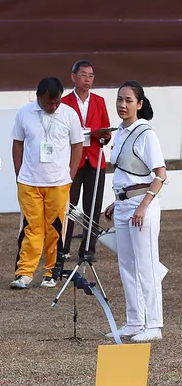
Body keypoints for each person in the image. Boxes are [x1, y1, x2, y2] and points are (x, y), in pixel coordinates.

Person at [104, 82, 167, 343]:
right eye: (119, 99)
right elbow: (124, 173)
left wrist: (142, 206)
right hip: (123, 205)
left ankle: (154, 324)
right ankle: (134, 321)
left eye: (128, 100)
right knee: (127, 266)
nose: (122, 104)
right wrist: (116, 202)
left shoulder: (145, 133)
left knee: (146, 266)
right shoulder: (120, 131)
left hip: (142, 206)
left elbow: (160, 175)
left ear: (139, 104)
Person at [10, 77, 84, 289]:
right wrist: (18, 173)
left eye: (56, 102)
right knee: (31, 228)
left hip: (59, 183)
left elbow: (77, 145)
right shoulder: (24, 113)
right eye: (49, 102)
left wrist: (70, 174)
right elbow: (17, 143)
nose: (53, 106)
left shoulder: (69, 114)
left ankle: (52, 272)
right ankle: (24, 272)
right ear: (38, 98)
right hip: (29, 181)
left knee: (55, 229)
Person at [60, 60, 111, 262]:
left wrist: (104, 136)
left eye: (91, 76)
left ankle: (88, 249)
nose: (87, 79)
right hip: (72, 160)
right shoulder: (64, 102)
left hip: (95, 160)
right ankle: (63, 247)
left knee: (93, 206)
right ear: (73, 76)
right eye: (83, 75)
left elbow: (106, 129)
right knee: (68, 205)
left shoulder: (99, 101)